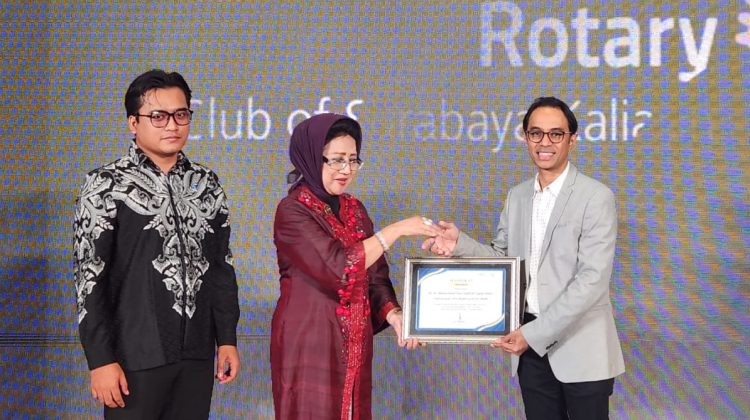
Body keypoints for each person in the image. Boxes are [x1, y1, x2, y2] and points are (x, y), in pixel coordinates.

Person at [424, 97, 625, 419]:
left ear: (572, 139)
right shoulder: (517, 196)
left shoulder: (596, 197)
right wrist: (459, 243)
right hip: (529, 346)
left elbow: (592, 280)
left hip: (581, 346)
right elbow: (503, 260)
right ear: (525, 137)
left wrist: (533, 335)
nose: (545, 143)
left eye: (556, 134)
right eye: (536, 133)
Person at [73, 69, 240, 419]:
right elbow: (89, 277)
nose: (172, 125)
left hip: (196, 354)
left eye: (181, 115)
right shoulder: (106, 184)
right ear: (133, 123)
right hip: (134, 355)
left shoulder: (205, 183)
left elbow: (221, 268)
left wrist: (226, 338)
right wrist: (100, 359)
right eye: (158, 116)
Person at [271, 113, 438, 419]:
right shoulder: (292, 211)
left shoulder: (354, 209)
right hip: (310, 343)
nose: (346, 170)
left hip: (354, 345)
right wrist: (396, 230)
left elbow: (375, 276)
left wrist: (394, 314)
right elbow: (339, 268)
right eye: (336, 160)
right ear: (312, 158)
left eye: (353, 160)